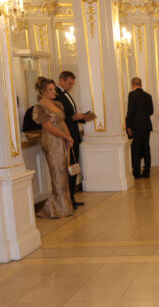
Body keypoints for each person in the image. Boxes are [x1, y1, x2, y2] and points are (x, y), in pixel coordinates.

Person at [32, 77, 74, 218]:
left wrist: (69, 137)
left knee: (63, 172)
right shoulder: (40, 108)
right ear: (43, 91)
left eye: (54, 89)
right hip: (51, 142)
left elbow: (63, 123)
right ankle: (57, 208)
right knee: (57, 173)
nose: (53, 92)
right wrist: (65, 136)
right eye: (50, 89)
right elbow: (48, 127)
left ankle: (65, 207)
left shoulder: (57, 104)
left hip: (62, 141)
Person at [57, 71, 91, 209]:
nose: (71, 86)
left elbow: (70, 115)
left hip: (74, 136)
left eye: (72, 84)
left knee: (74, 168)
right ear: (62, 80)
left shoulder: (66, 94)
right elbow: (60, 119)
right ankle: (68, 199)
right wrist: (73, 118)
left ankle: (72, 197)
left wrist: (82, 118)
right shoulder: (57, 96)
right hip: (67, 137)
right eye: (70, 83)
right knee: (69, 168)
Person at [126, 77, 154, 178]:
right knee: (146, 148)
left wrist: (128, 125)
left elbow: (130, 111)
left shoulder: (132, 95)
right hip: (146, 126)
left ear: (132, 85)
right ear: (141, 84)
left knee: (136, 149)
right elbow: (151, 111)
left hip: (136, 126)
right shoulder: (148, 96)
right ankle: (147, 171)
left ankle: (137, 172)